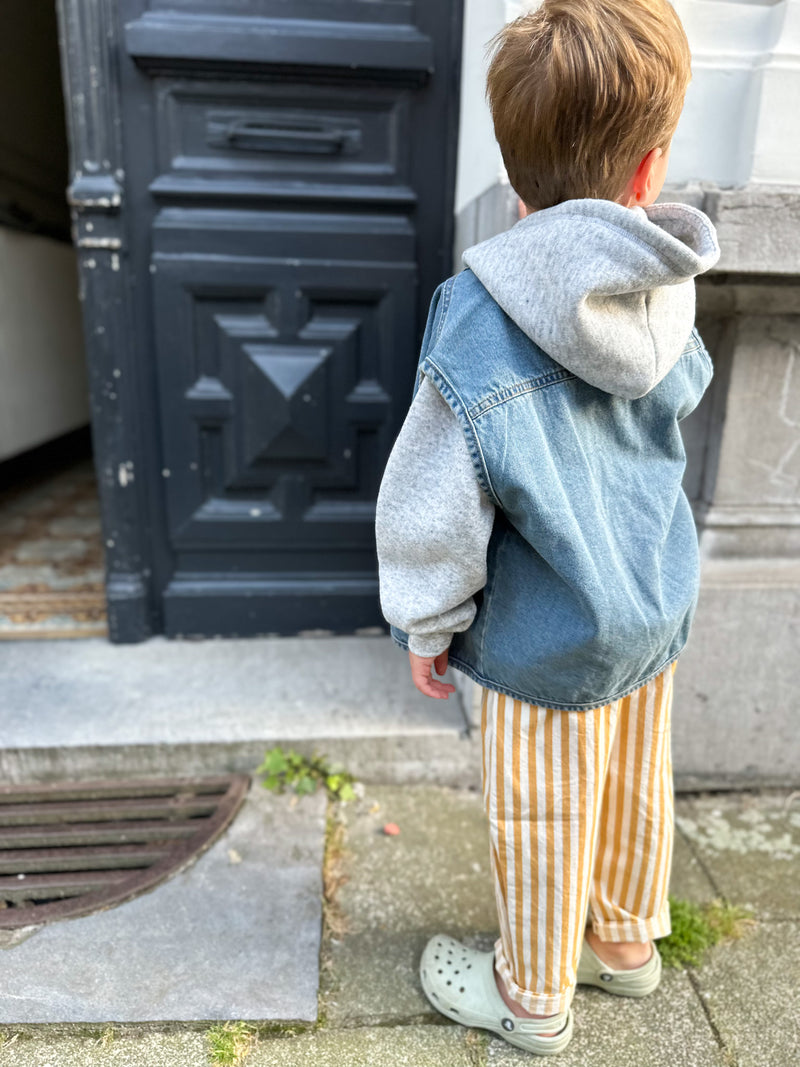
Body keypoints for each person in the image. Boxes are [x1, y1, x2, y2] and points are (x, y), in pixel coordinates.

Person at [375, 0, 720, 1056]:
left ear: (514, 175)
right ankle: (622, 943)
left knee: (539, 811)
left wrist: (427, 625)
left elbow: (434, 498)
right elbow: (683, 399)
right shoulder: (664, 286)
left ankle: (530, 997)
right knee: (627, 780)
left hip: (544, 637)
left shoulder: (478, 312)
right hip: (650, 604)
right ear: (649, 169)